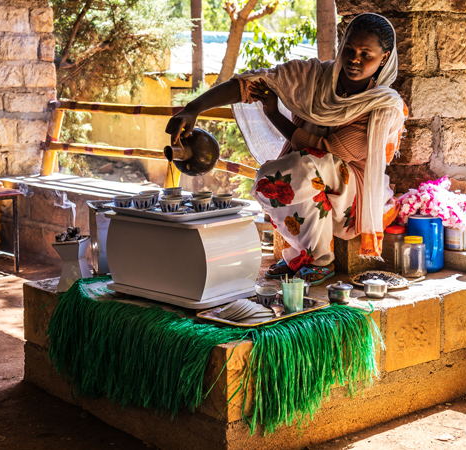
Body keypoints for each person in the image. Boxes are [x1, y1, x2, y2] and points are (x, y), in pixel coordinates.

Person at [166, 13, 407, 285]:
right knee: (276, 182)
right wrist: (193, 108)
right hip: (311, 175)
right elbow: (255, 82)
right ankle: (301, 254)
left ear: (384, 58)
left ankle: (321, 260)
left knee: (303, 168)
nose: (354, 59)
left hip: (353, 195)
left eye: (367, 55)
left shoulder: (385, 107)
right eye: (349, 49)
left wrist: (274, 114)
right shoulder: (314, 77)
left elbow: (329, 150)